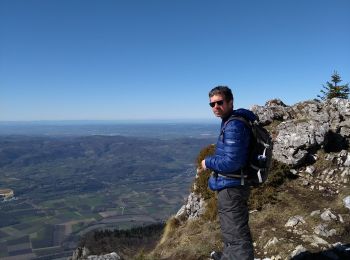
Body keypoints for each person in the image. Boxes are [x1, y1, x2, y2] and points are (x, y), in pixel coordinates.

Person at [201, 86, 255, 260]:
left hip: (232, 186)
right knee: (232, 229)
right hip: (233, 184)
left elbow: (232, 162)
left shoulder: (234, 125)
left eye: (220, 102)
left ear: (230, 102)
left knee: (236, 233)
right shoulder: (230, 120)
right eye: (212, 104)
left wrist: (207, 161)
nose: (216, 107)